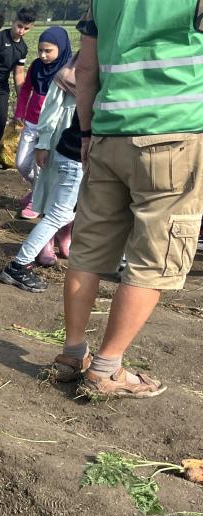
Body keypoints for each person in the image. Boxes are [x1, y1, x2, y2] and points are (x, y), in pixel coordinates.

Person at [53, 0, 203, 400]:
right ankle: (106, 368)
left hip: (107, 134)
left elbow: (85, 69)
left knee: (88, 250)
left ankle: (72, 354)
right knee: (153, 258)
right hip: (174, 136)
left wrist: (85, 134)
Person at [0, 52, 82, 292]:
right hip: (75, 156)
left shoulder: (76, 77)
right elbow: (49, 110)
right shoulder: (91, 83)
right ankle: (19, 265)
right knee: (59, 213)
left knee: (64, 212)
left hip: (67, 150)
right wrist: (43, 142)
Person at [13, 26, 71, 218]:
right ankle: (37, 190)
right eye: (40, 50)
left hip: (52, 126)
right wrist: (20, 111)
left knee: (41, 166)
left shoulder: (67, 69)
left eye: (48, 51)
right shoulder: (36, 66)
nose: (43, 55)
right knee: (21, 163)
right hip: (31, 121)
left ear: (61, 49)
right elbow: (26, 89)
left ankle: (35, 202)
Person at [0, 7, 35, 169]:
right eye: (19, 26)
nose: (21, 31)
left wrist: (23, 98)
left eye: (26, 28)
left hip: (1, 88)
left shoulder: (22, 48)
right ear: (13, 22)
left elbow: (18, 74)